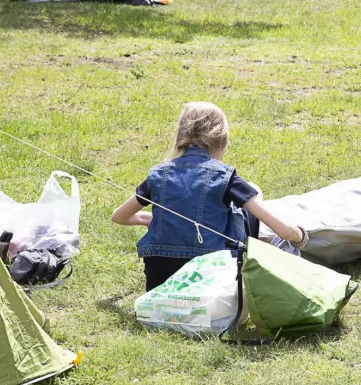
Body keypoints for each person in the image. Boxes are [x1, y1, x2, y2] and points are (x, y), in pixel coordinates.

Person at [112, 101, 309, 291]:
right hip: (212, 283)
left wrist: (152, 220)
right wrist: (299, 236)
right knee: (252, 191)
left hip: (160, 283)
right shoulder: (226, 177)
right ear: (221, 140)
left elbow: (119, 217)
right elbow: (282, 230)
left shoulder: (158, 175)